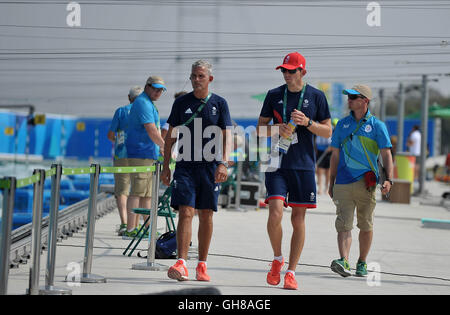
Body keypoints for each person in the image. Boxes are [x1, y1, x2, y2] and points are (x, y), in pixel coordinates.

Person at [257, 52, 332, 290]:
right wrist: (277, 128)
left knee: (298, 219)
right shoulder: (274, 95)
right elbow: (260, 130)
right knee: (275, 212)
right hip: (276, 161)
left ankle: (291, 271)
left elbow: (328, 132)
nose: (287, 75)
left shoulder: (317, 96)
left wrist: (308, 123)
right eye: (284, 71)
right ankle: (278, 258)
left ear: (302, 72)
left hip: (303, 164)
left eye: (292, 71)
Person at [161, 60, 232, 282]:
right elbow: (170, 136)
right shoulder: (181, 103)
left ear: (209, 79)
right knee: (185, 212)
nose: (196, 79)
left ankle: (202, 264)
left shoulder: (220, 103)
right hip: (185, 166)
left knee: (206, 215)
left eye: (201, 76)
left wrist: (224, 163)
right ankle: (181, 263)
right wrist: (166, 167)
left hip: (210, 167)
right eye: (193, 76)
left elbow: (227, 136)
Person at [328, 84, 393, 277]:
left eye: (354, 97)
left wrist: (389, 179)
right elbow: (335, 155)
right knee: (343, 223)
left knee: (365, 225)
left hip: (367, 184)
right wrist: (331, 182)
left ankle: (362, 262)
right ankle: (344, 261)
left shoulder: (377, 126)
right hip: (343, 183)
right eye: (348, 96)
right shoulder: (341, 125)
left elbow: (386, 154)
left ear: (365, 100)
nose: (349, 100)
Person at [123, 76, 166, 238]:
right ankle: (130, 229)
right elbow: (152, 130)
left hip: (149, 153)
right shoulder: (143, 103)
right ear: (147, 87)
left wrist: (160, 149)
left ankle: (148, 228)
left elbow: (154, 132)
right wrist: (165, 147)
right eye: (155, 88)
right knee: (137, 192)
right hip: (140, 153)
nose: (158, 92)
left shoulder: (149, 104)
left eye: (161, 90)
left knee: (147, 194)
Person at [107, 86, 143, 236]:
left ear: (129, 98)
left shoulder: (121, 111)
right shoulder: (146, 111)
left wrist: (119, 140)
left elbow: (110, 135)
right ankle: (133, 225)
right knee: (138, 190)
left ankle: (123, 223)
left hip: (122, 155)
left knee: (122, 191)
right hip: (141, 156)